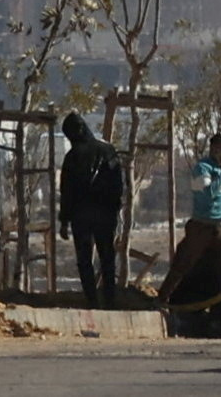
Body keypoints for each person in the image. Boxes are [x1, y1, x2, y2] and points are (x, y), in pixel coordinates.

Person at [159, 133, 221, 335]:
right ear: (215, 150)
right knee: (182, 264)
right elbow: (207, 192)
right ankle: (160, 301)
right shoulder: (202, 169)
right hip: (201, 228)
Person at [56, 111, 127, 306]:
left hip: (81, 217)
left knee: (85, 259)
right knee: (107, 259)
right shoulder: (107, 150)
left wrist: (64, 221)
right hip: (105, 214)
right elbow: (118, 184)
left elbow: (66, 191)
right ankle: (110, 299)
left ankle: (92, 300)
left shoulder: (72, 156)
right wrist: (115, 207)